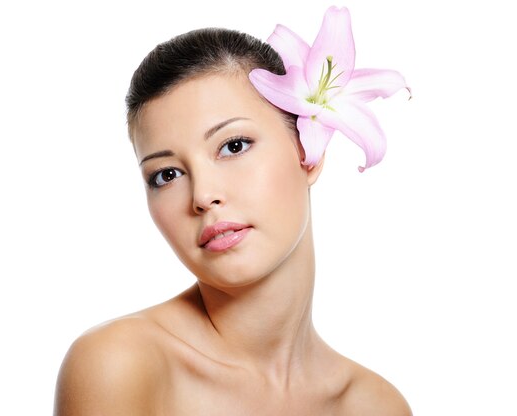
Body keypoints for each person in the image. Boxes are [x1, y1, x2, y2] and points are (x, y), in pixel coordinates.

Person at [54, 7, 411, 415]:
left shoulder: (376, 406)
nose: (203, 196)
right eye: (166, 174)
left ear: (309, 153)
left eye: (233, 146)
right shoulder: (121, 365)